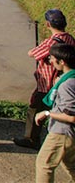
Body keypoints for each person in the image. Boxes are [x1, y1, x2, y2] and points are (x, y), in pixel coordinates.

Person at [16, 9, 75, 150]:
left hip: (46, 84)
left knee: (35, 108)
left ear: (48, 24)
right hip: (64, 81)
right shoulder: (70, 39)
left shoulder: (51, 42)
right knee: (59, 109)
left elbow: (32, 53)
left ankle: (31, 139)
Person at [34, 43, 75, 182]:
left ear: (61, 62)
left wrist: (47, 113)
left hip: (62, 133)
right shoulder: (69, 79)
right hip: (69, 135)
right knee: (71, 165)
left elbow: (71, 117)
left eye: (52, 58)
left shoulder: (67, 85)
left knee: (44, 165)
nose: (50, 61)